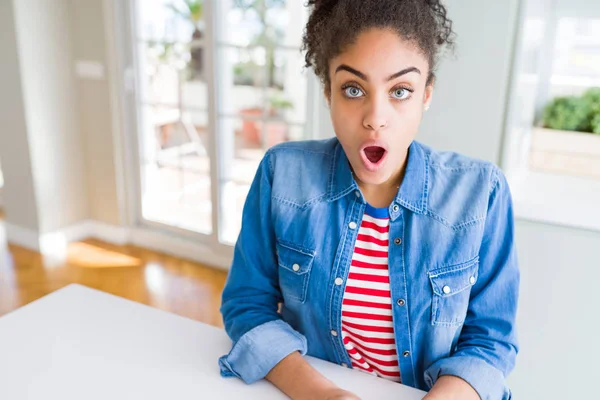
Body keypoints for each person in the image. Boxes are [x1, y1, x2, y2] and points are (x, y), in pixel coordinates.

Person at [218, 1, 519, 399]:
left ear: (426, 94)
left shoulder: (482, 194)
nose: (375, 117)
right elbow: (247, 304)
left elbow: (491, 341)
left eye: (400, 91)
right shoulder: (282, 175)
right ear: (328, 91)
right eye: (353, 89)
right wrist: (325, 395)